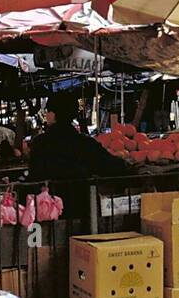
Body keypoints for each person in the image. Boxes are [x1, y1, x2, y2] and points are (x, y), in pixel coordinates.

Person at [25, 91, 126, 225]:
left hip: (49, 214)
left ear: (53, 114)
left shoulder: (39, 144)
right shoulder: (85, 143)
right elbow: (110, 165)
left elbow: (34, 174)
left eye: (48, 111)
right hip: (81, 211)